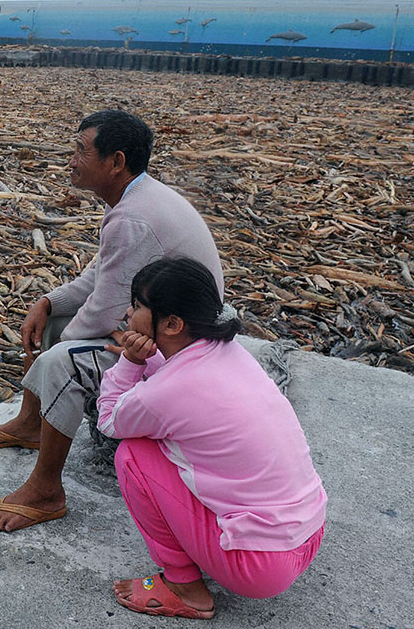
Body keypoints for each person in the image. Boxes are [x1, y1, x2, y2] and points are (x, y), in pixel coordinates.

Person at [0, 109, 223, 532]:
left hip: (181, 346)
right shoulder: (138, 198)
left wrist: (56, 353)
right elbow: (101, 276)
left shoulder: (131, 217)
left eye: (81, 150)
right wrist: (48, 303)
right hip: (160, 320)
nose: (71, 160)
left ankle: (46, 490)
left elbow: (105, 308)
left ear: (116, 162)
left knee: (59, 362)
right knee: (55, 328)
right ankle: (32, 424)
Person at [98, 257, 326, 619]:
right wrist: (149, 358)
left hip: (259, 567)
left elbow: (109, 420)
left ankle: (184, 589)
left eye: (138, 305)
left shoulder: (165, 393)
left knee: (133, 454)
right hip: (309, 532)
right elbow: (179, 382)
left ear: (171, 324)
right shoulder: (232, 353)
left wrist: (129, 362)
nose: (128, 313)